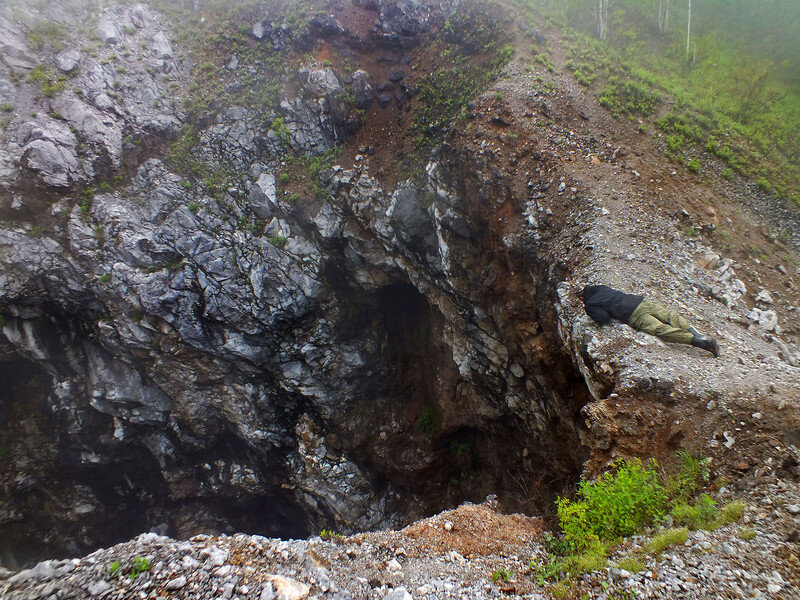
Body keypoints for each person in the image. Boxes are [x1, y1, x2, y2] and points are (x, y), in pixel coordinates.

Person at [579, 284, 720, 357]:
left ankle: (699, 342)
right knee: (671, 316)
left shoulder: (590, 303)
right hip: (641, 301)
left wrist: (590, 309)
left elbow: (603, 319)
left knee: (660, 330)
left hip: (633, 314)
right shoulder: (600, 288)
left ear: (581, 298)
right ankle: (698, 334)